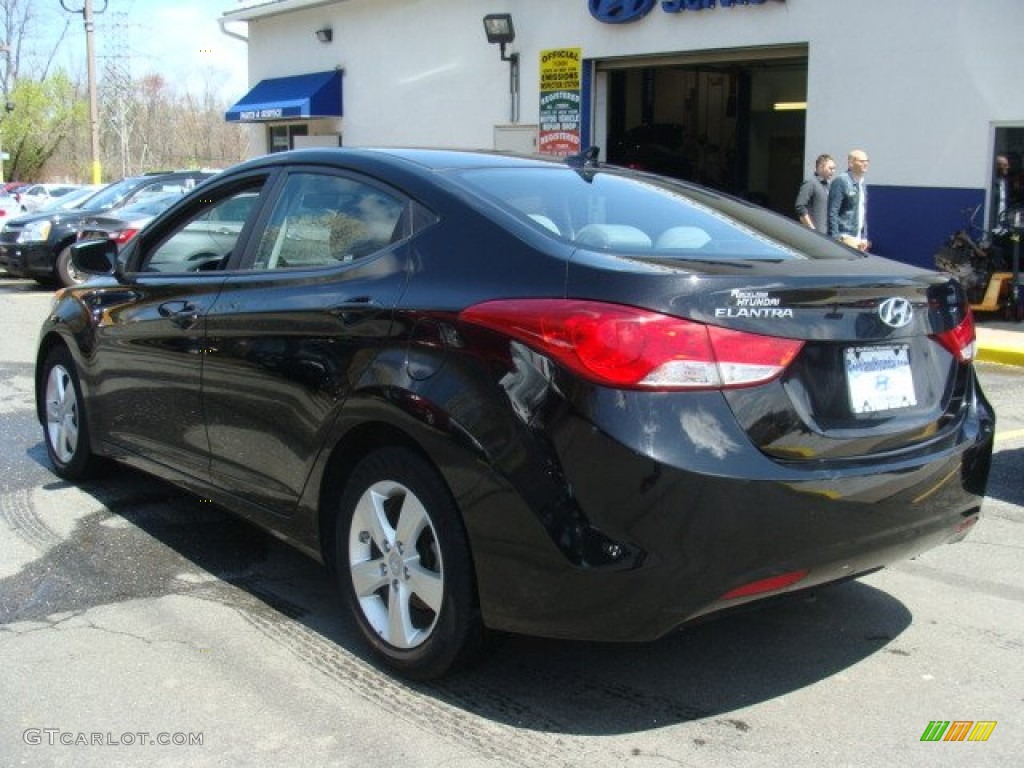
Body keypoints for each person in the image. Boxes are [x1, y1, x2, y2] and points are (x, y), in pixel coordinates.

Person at [828, 149, 871, 250]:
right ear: (851, 163)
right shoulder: (841, 181)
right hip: (845, 237)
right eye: (861, 161)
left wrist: (864, 237)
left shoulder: (862, 184)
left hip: (858, 239)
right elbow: (833, 212)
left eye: (867, 161)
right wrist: (835, 239)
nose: (865, 164)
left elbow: (862, 212)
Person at [794, 153, 836, 233]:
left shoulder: (828, 186)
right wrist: (812, 229)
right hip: (815, 235)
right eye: (830, 168)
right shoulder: (810, 183)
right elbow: (800, 206)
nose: (833, 171)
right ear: (820, 167)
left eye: (834, 169)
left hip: (827, 235)